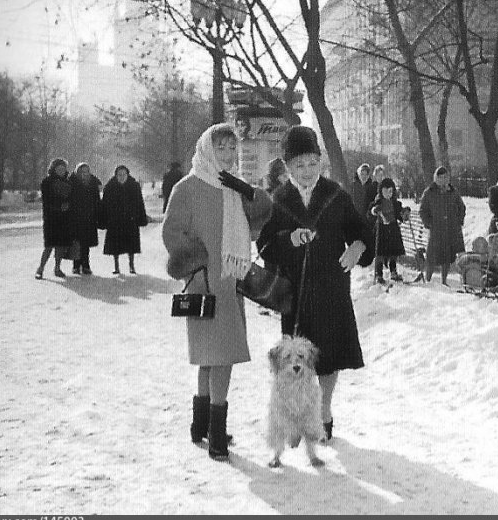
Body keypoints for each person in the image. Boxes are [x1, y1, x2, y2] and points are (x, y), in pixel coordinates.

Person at [163, 123, 272, 460]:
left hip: (230, 283)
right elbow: (171, 233)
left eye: (231, 147)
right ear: (206, 149)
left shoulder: (233, 186)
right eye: (220, 147)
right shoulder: (187, 187)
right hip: (204, 285)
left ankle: (201, 426)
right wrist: (196, 262)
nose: (227, 153)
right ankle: (217, 435)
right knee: (218, 357)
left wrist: (248, 190)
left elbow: (263, 218)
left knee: (212, 358)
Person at [257, 126, 373, 443]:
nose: (307, 171)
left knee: (329, 356)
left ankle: (323, 409)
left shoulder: (336, 195)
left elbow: (362, 229)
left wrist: (358, 246)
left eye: (312, 163)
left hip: (332, 288)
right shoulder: (279, 200)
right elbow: (265, 246)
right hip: (295, 293)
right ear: (287, 166)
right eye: (299, 165)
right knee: (297, 360)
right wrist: (289, 239)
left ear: (320, 161)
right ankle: (299, 413)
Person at [419, 166, 466, 286]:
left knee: (447, 256)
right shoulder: (429, 192)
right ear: (436, 178)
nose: (444, 180)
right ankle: (428, 279)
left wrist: (459, 221)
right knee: (432, 256)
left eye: (446, 177)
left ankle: (444, 281)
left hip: (450, 228)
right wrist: (429, 223)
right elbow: (423, 210)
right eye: (441, 177)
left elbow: (461, 207)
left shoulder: (453, 192)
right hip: (436, 229)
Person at [101, 164, 148, 275]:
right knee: (115, 245)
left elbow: (140, 203)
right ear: (116, 176)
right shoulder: (110, 187)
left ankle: (131, 266)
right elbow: (104, 205)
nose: (122, 177)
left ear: (127, 175)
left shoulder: (134, 186)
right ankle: (116, 266)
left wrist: (141, 217)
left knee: (131, 244)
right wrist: (103, 219)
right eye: (119, 175)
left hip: (130, 220)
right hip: (115, 221)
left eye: (124, 174)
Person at [35, 158, 74, 279]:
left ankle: (57, 268)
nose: (61, 171)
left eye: (63, 169)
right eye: (59, 169)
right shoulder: (47, 182)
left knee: (61, 245)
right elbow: (46, 199)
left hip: (64, 218)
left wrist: (68, 205)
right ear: (53, 169)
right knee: (49, 245)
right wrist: (58, 206)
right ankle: (40, 268)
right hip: (51, 218)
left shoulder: (69, 182)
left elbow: (72, 198)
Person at [368, 177, 410, 284]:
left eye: (390, 191)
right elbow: (370, 213)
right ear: (381, 191)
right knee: (380, 253)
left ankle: (393, 271)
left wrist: (404, 214)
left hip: (393, 229)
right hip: (381, 230)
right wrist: (374, 211)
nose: (388, 194)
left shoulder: (396, 203)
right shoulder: (377, 202)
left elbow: (399, 215)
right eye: (385, 191)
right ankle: (378, 273)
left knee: (393, 252)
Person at [69, 162, 102, 275]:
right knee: (76, 243)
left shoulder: (92, 183)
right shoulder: (72, 182)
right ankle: (76, 265)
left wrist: (98, 213)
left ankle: (86, 265)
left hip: (89, 217)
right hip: (75, 217)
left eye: (87, 171)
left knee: (86, 243)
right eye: (82, 171)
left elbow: (97, 200)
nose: (85, 174)